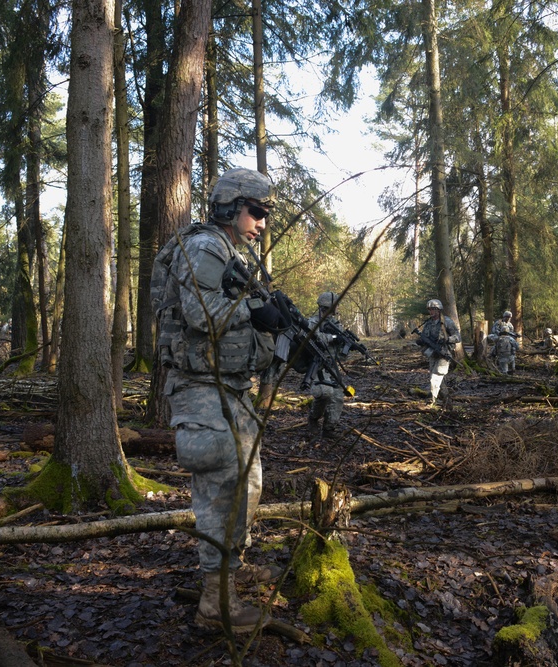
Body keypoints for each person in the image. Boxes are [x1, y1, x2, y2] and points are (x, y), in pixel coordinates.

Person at [162, 167, 285, 633]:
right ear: (232, 208)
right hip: (201, 390)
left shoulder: (232, 252)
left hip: (230, 389)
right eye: (257, 212)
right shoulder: (204, 246)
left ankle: (225, 578)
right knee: (224, 483)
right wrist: (255, 312)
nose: (262, 222)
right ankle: (216, 603)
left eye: (266, 213)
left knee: (248, 482)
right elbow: (199, 314)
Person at [304, 291, 353, 438]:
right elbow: (311, 337)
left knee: (337, 396)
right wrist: (333, 337)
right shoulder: (312, 322)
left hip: (332, 365)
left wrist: (345, 343)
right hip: (317, 365)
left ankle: (329, 428)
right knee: (325, 393)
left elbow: (339, 350)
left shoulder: (336, 324)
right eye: (326, 309)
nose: (328, 312)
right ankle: (313, 419)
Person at [416, 299, 461, 406]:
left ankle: (432, 400)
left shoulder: (447, 322)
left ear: (439, 310)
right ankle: (445, 399)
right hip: (432, 353)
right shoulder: (428, 323)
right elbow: (425, 337)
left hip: (443, 353)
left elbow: (458, 337)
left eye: (433, 309)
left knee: (435, 377)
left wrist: (447, 339)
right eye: (430, 309)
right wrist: (421, 341)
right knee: (435, 377)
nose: (431, 312)